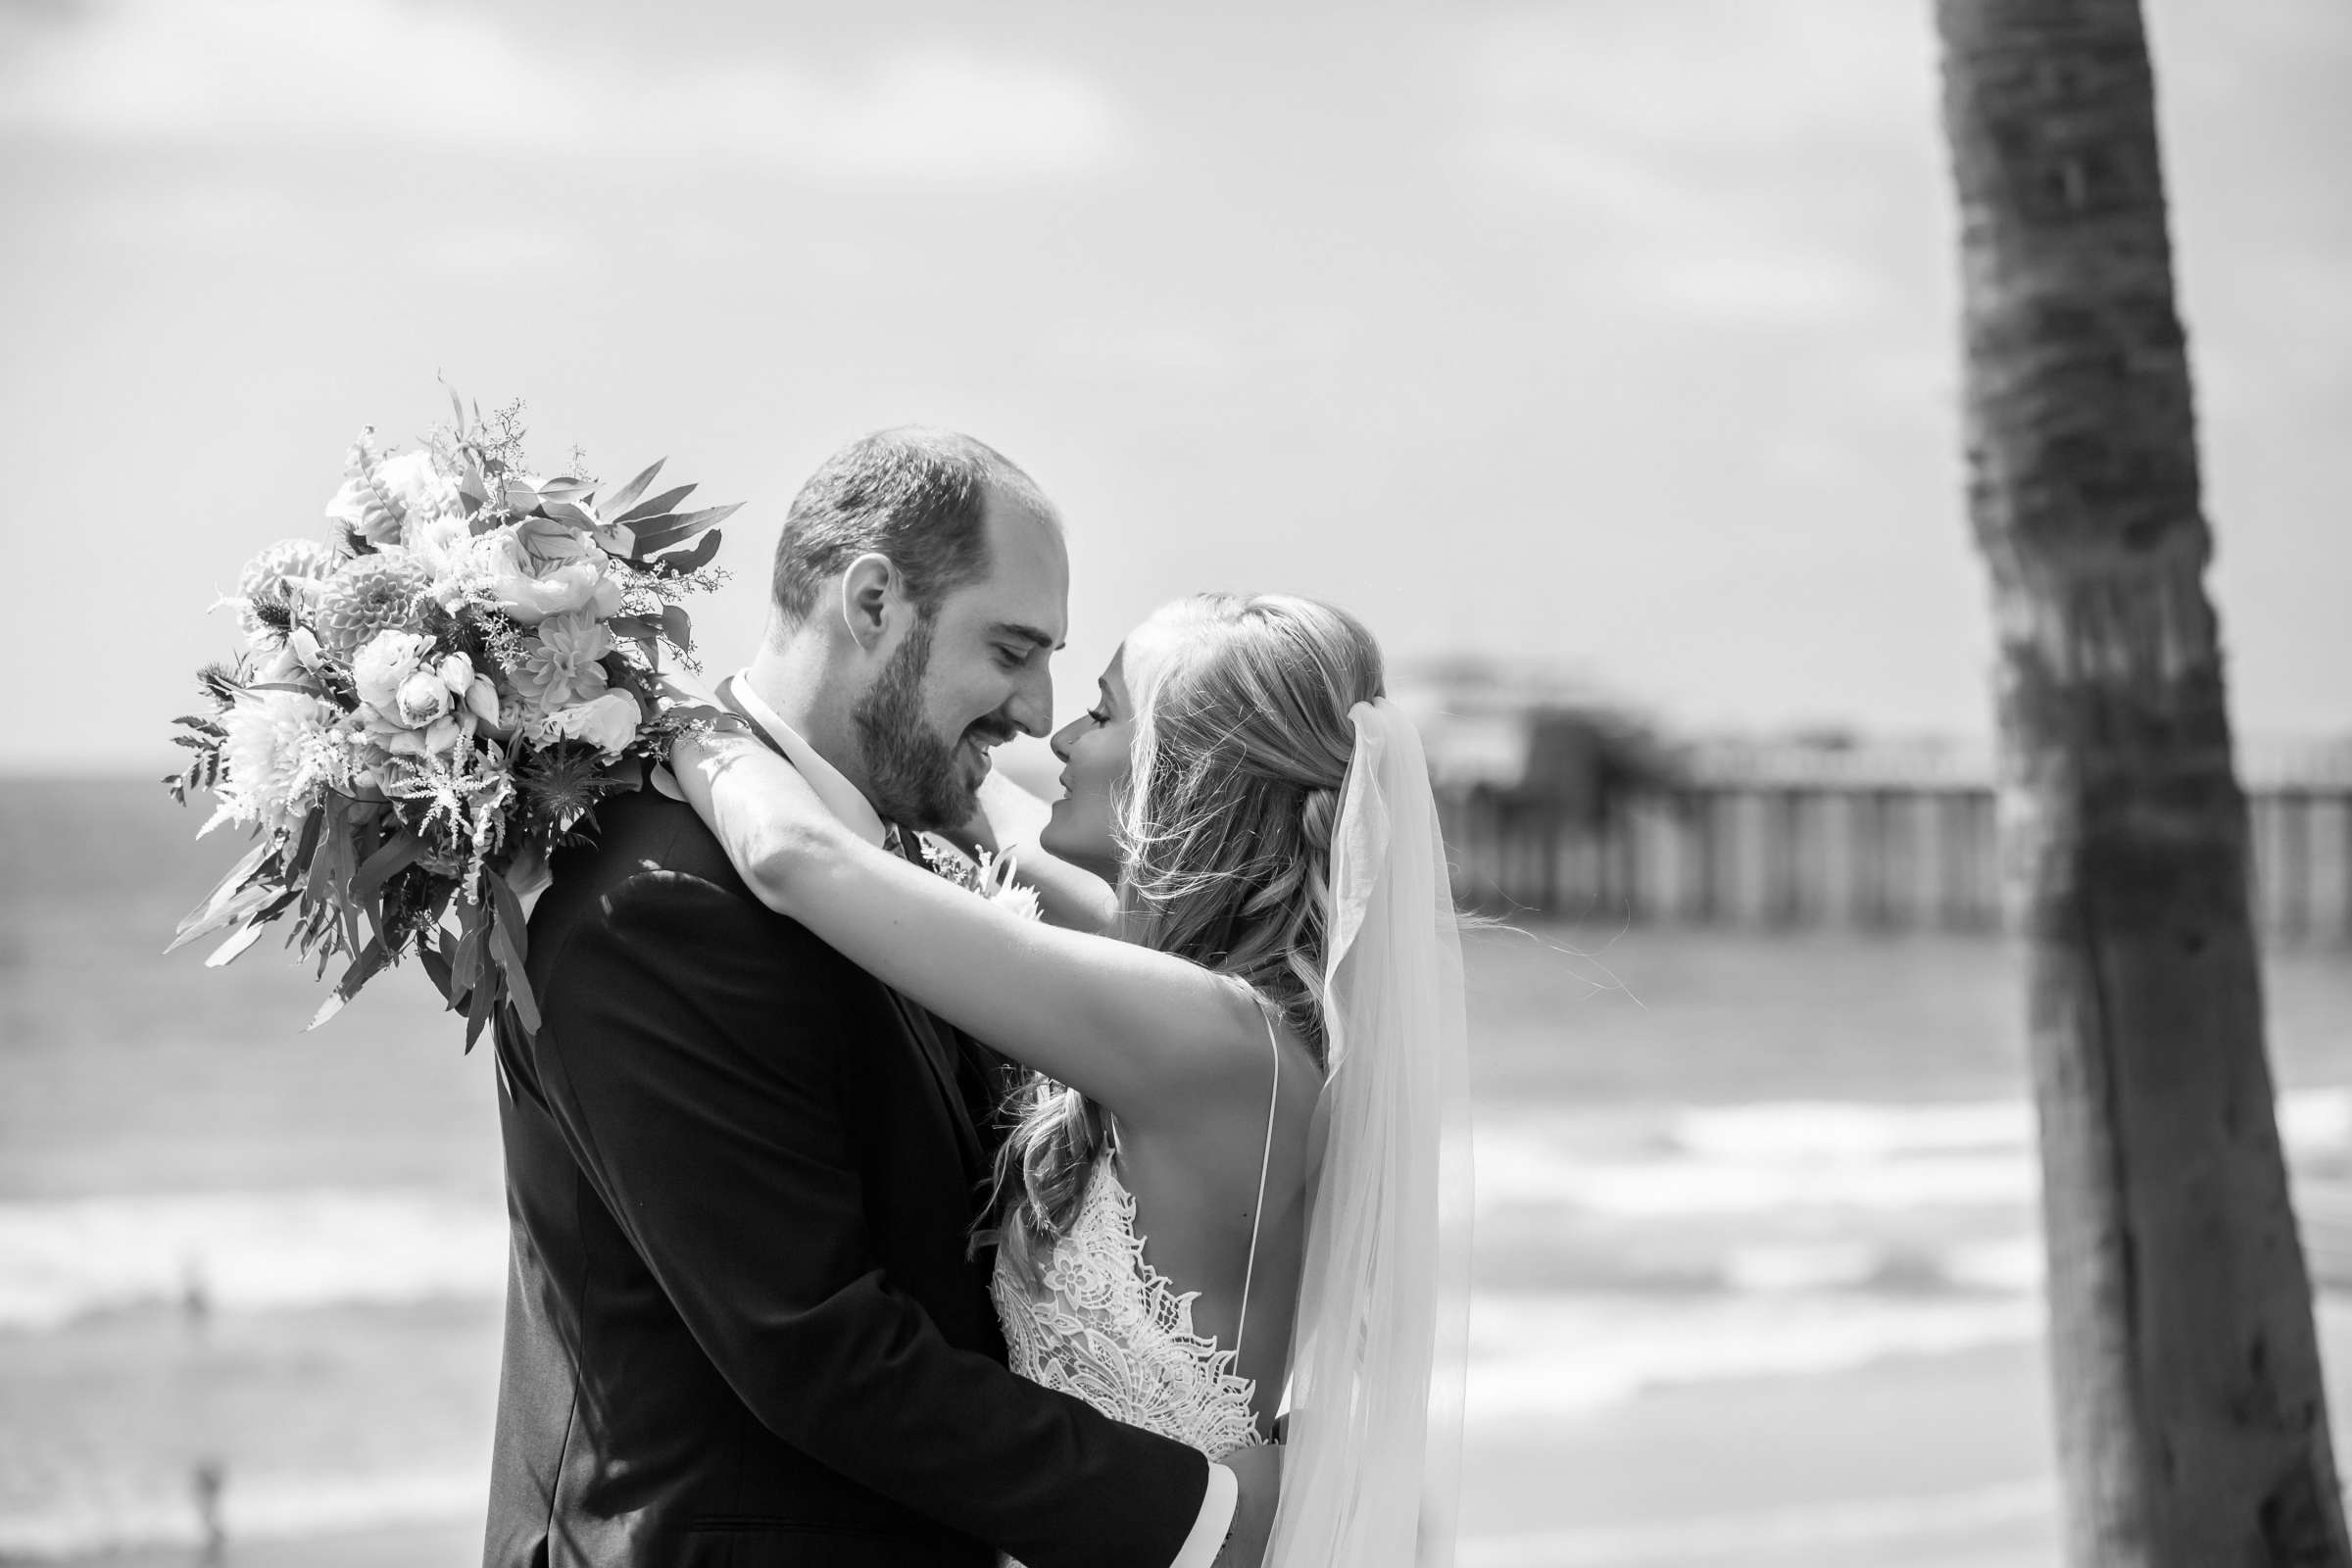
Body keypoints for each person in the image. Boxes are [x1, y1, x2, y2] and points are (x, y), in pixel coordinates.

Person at [485, 429, 1280, 1568]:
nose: (1037, 707)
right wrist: (1202, 1517)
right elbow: (815, 1348)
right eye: (1011, 649)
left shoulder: (899, 865)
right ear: (871, 603)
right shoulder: (656, 896)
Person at [674, 587, 1475, 1567]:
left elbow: (793, 854)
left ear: (1182, 773)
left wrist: (661, 715)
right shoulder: (1212, 1009)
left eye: (1101, 712)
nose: (1055, 737)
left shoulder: (1211, 1042)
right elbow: (990, 821)